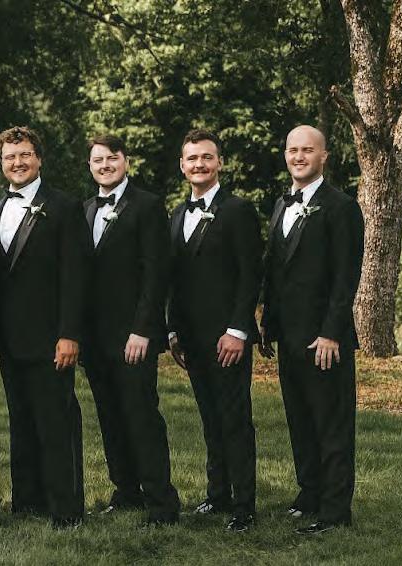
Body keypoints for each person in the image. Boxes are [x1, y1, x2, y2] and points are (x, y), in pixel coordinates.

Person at [260, 125, 363, 535]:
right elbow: (275, 269)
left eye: (307, 150)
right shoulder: (281, 204)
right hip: (289, 335)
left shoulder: (341, 207)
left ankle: (335, 511)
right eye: (292, 150)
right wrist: (268, 323)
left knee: (331, 424)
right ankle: (310, 495)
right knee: (300, 420)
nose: (299, 156)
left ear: (324, 156)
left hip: (324, 338)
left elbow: (345, 276)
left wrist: (332, 332)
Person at [0, 126, 90, 529]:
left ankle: (67, 508)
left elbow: (75, 277)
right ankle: (28, 500)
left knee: (56, 422)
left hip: (52, 336)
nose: (18, 162)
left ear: (39, 159)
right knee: (21, 421)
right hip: (10, 338)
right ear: (2, 163)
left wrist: (70, 334)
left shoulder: (64, 207)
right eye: (10, 157)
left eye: (25, 154)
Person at [79, 135, 180, 526]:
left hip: (133, 335)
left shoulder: (147, 205)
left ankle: (161, 502)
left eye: (112, 158)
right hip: (95, 338)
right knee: (110, 416)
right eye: (98, 160)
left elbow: (156, 273)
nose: (105, 165)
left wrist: (143, 330)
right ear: (90, 166)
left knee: (141, 416)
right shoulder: (86, 209)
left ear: (125, 161)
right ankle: (125, 490)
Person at [166, 129, 262, 532]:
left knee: (234, 418)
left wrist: (238, 330)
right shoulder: (176, 215)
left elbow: (250, 274)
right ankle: (218, 493)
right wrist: (172, 331)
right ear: (182, 165)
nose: (199, 164)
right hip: (191, 339)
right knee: (210, 417)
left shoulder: (238, 210)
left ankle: (244, 505)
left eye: (207, 157)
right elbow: (173, 279)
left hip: (227, 337)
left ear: (219, 162)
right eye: (192, 158)